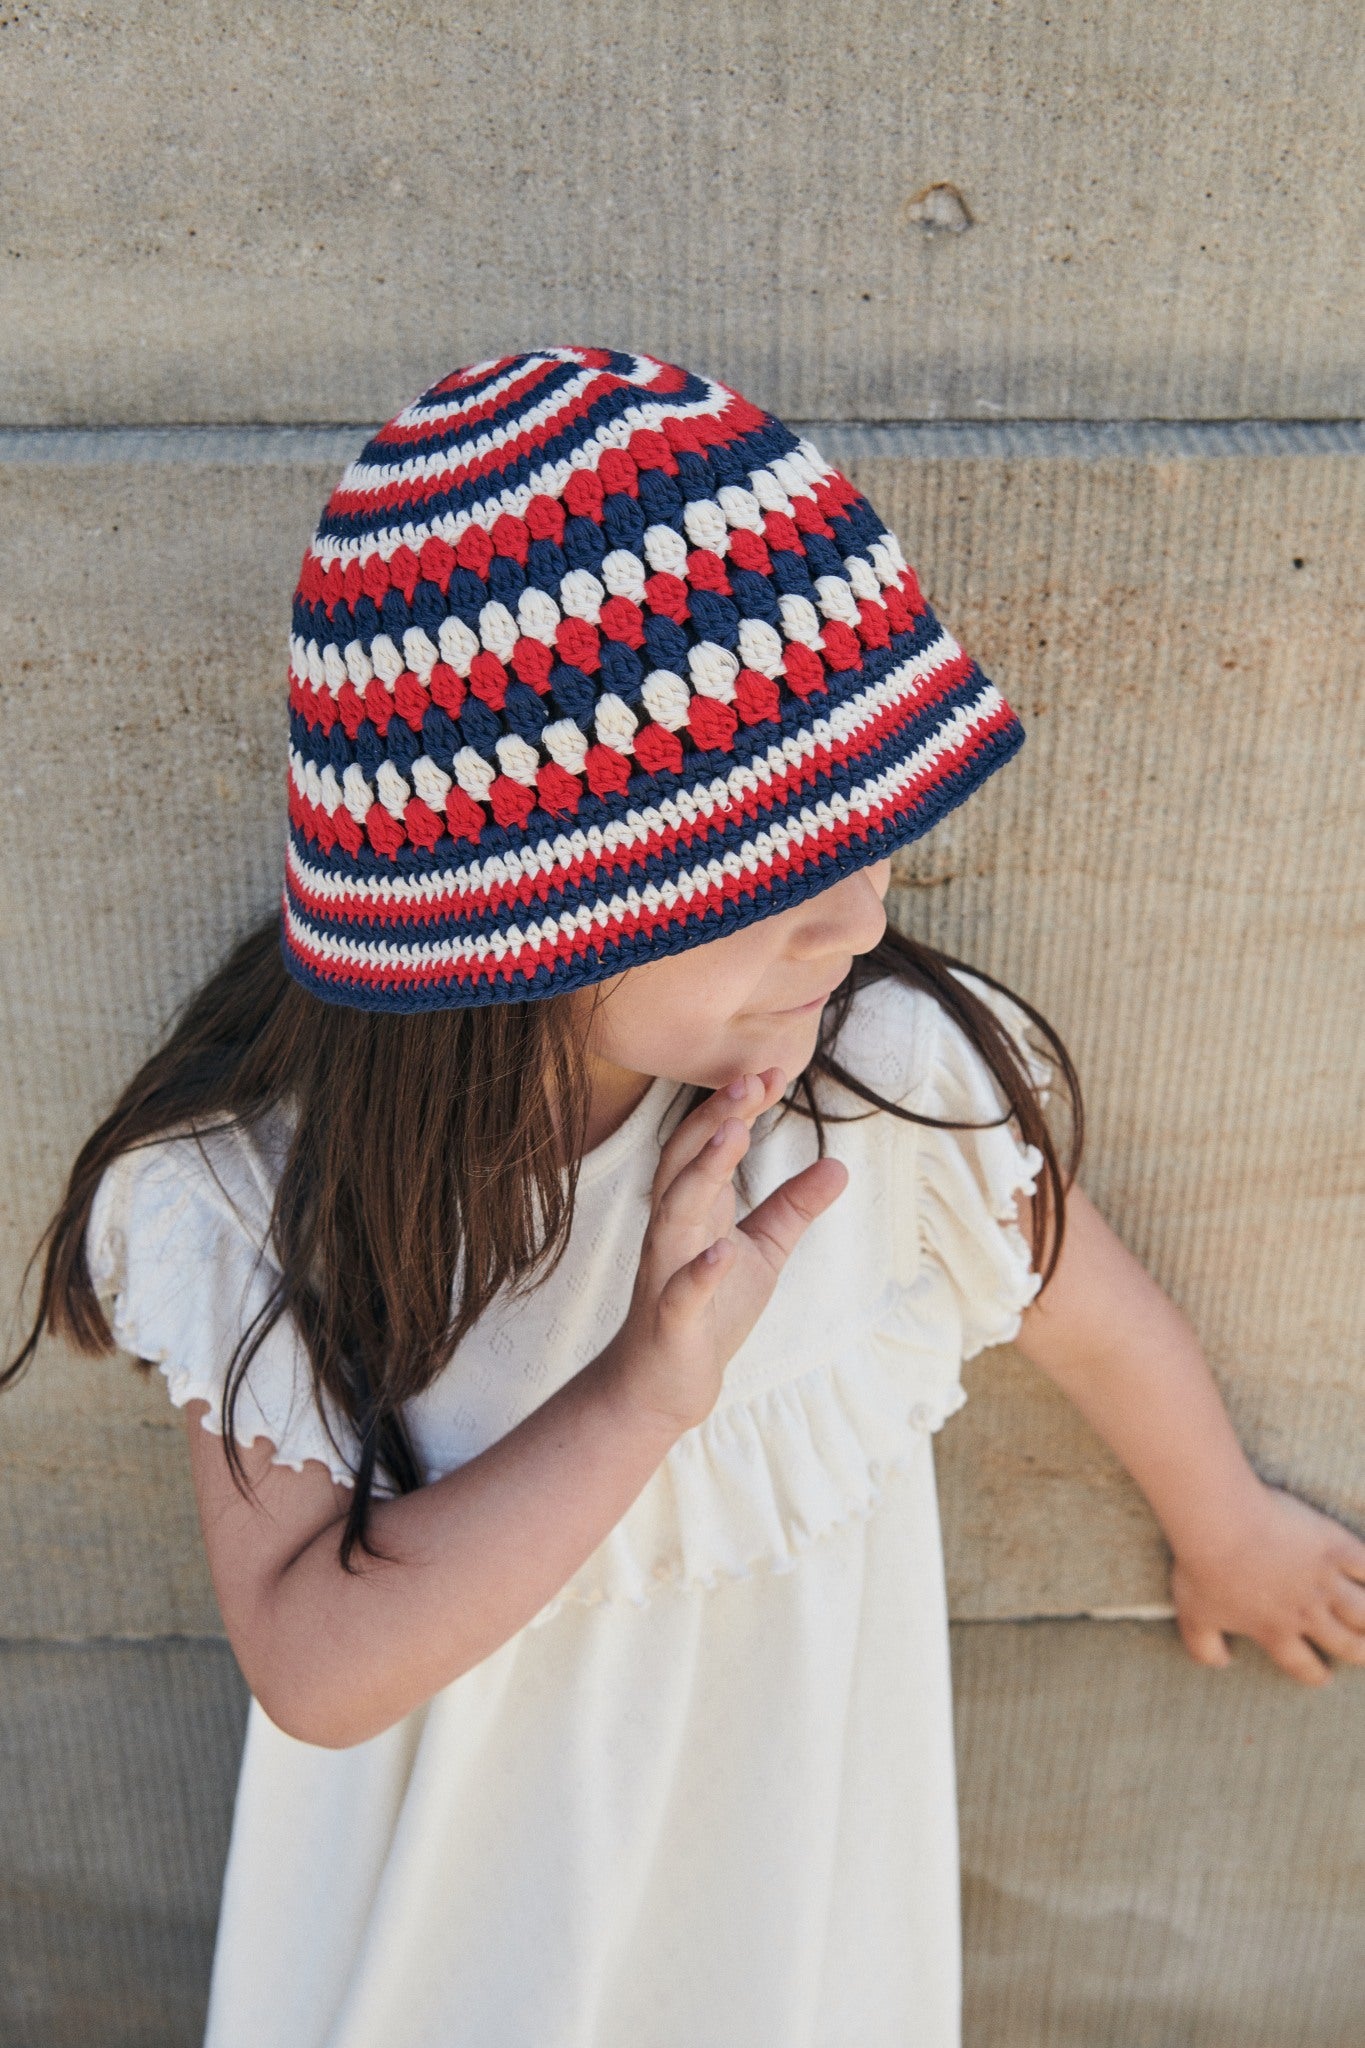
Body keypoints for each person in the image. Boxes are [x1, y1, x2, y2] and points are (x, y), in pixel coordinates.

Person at [6, 347, 1363, 2048]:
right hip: (455, 1962)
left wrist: (1219, 1514)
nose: (861, 921)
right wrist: (648, 1387)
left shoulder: (868, 1083)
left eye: (872, 835)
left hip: (783, 1925)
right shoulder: (275, 1204)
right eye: (780, 881)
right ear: (524, 923)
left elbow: (1066, 1285)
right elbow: (318, 1668)